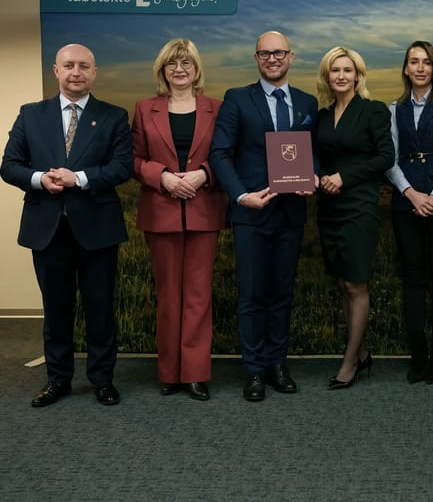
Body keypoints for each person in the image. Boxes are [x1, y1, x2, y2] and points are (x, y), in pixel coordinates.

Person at [1, 43, 133, 407]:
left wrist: (80, 178)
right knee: (56, 310)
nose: (77, 72)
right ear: (55, 71)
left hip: (97, 229)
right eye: (69, 65)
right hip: (48, 229)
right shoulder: (31, 114)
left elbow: (122, 167)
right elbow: (9, 165)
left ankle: (102, 380)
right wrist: (41, 178)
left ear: (95, 72)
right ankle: (57, 381)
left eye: (84, 66)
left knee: (100, 309)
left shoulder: (114, 116)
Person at [209, 30, 318, 402]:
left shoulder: (306, 101)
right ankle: (254, 370)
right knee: (253, 294)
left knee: (281, 293)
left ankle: (277, 364)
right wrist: (241, 196)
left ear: (291, 56)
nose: (273, 59)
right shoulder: (238, 99)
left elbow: (311, 151)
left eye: (279, 53)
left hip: (290, 213)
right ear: (257, 58)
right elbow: (220, 153)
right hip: (252, 214)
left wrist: (313, 175)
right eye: (265, 54)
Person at [131, 38, 227, 401]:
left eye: (186, 62)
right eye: (172, 63)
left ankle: (196, 373)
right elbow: (134, 160)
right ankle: (170, 373)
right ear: (162, 70)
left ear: (197, 68)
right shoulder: (144, 109)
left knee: (198, 296)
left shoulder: (216, 109)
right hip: (161, 212)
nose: (180, 69)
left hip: (204, 211)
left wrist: (204, 174)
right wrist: (164, 178)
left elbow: (225, 154)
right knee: (168, 296)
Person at [315, 46, 394, 390]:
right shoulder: (322, 116)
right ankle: (361, 353)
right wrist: (315, 176)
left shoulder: (373, 111)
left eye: (348, 70)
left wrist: (345, 177)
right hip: (328, 207)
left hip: (359, 204)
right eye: (335, 70)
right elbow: (315, 157)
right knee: (341, 283)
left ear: (358, 75)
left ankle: (349, 363)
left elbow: (385, 157)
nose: (342, 76)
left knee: (356, 283)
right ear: (327, 76)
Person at [385, 41, 433, 384]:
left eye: (426, 62)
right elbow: (389, 157)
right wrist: (411, 194)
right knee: (414, 278)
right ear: (405, 68)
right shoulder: (394, 108)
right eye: (413, 62)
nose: (419, 68)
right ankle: (417, 358)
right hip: (406, 201)